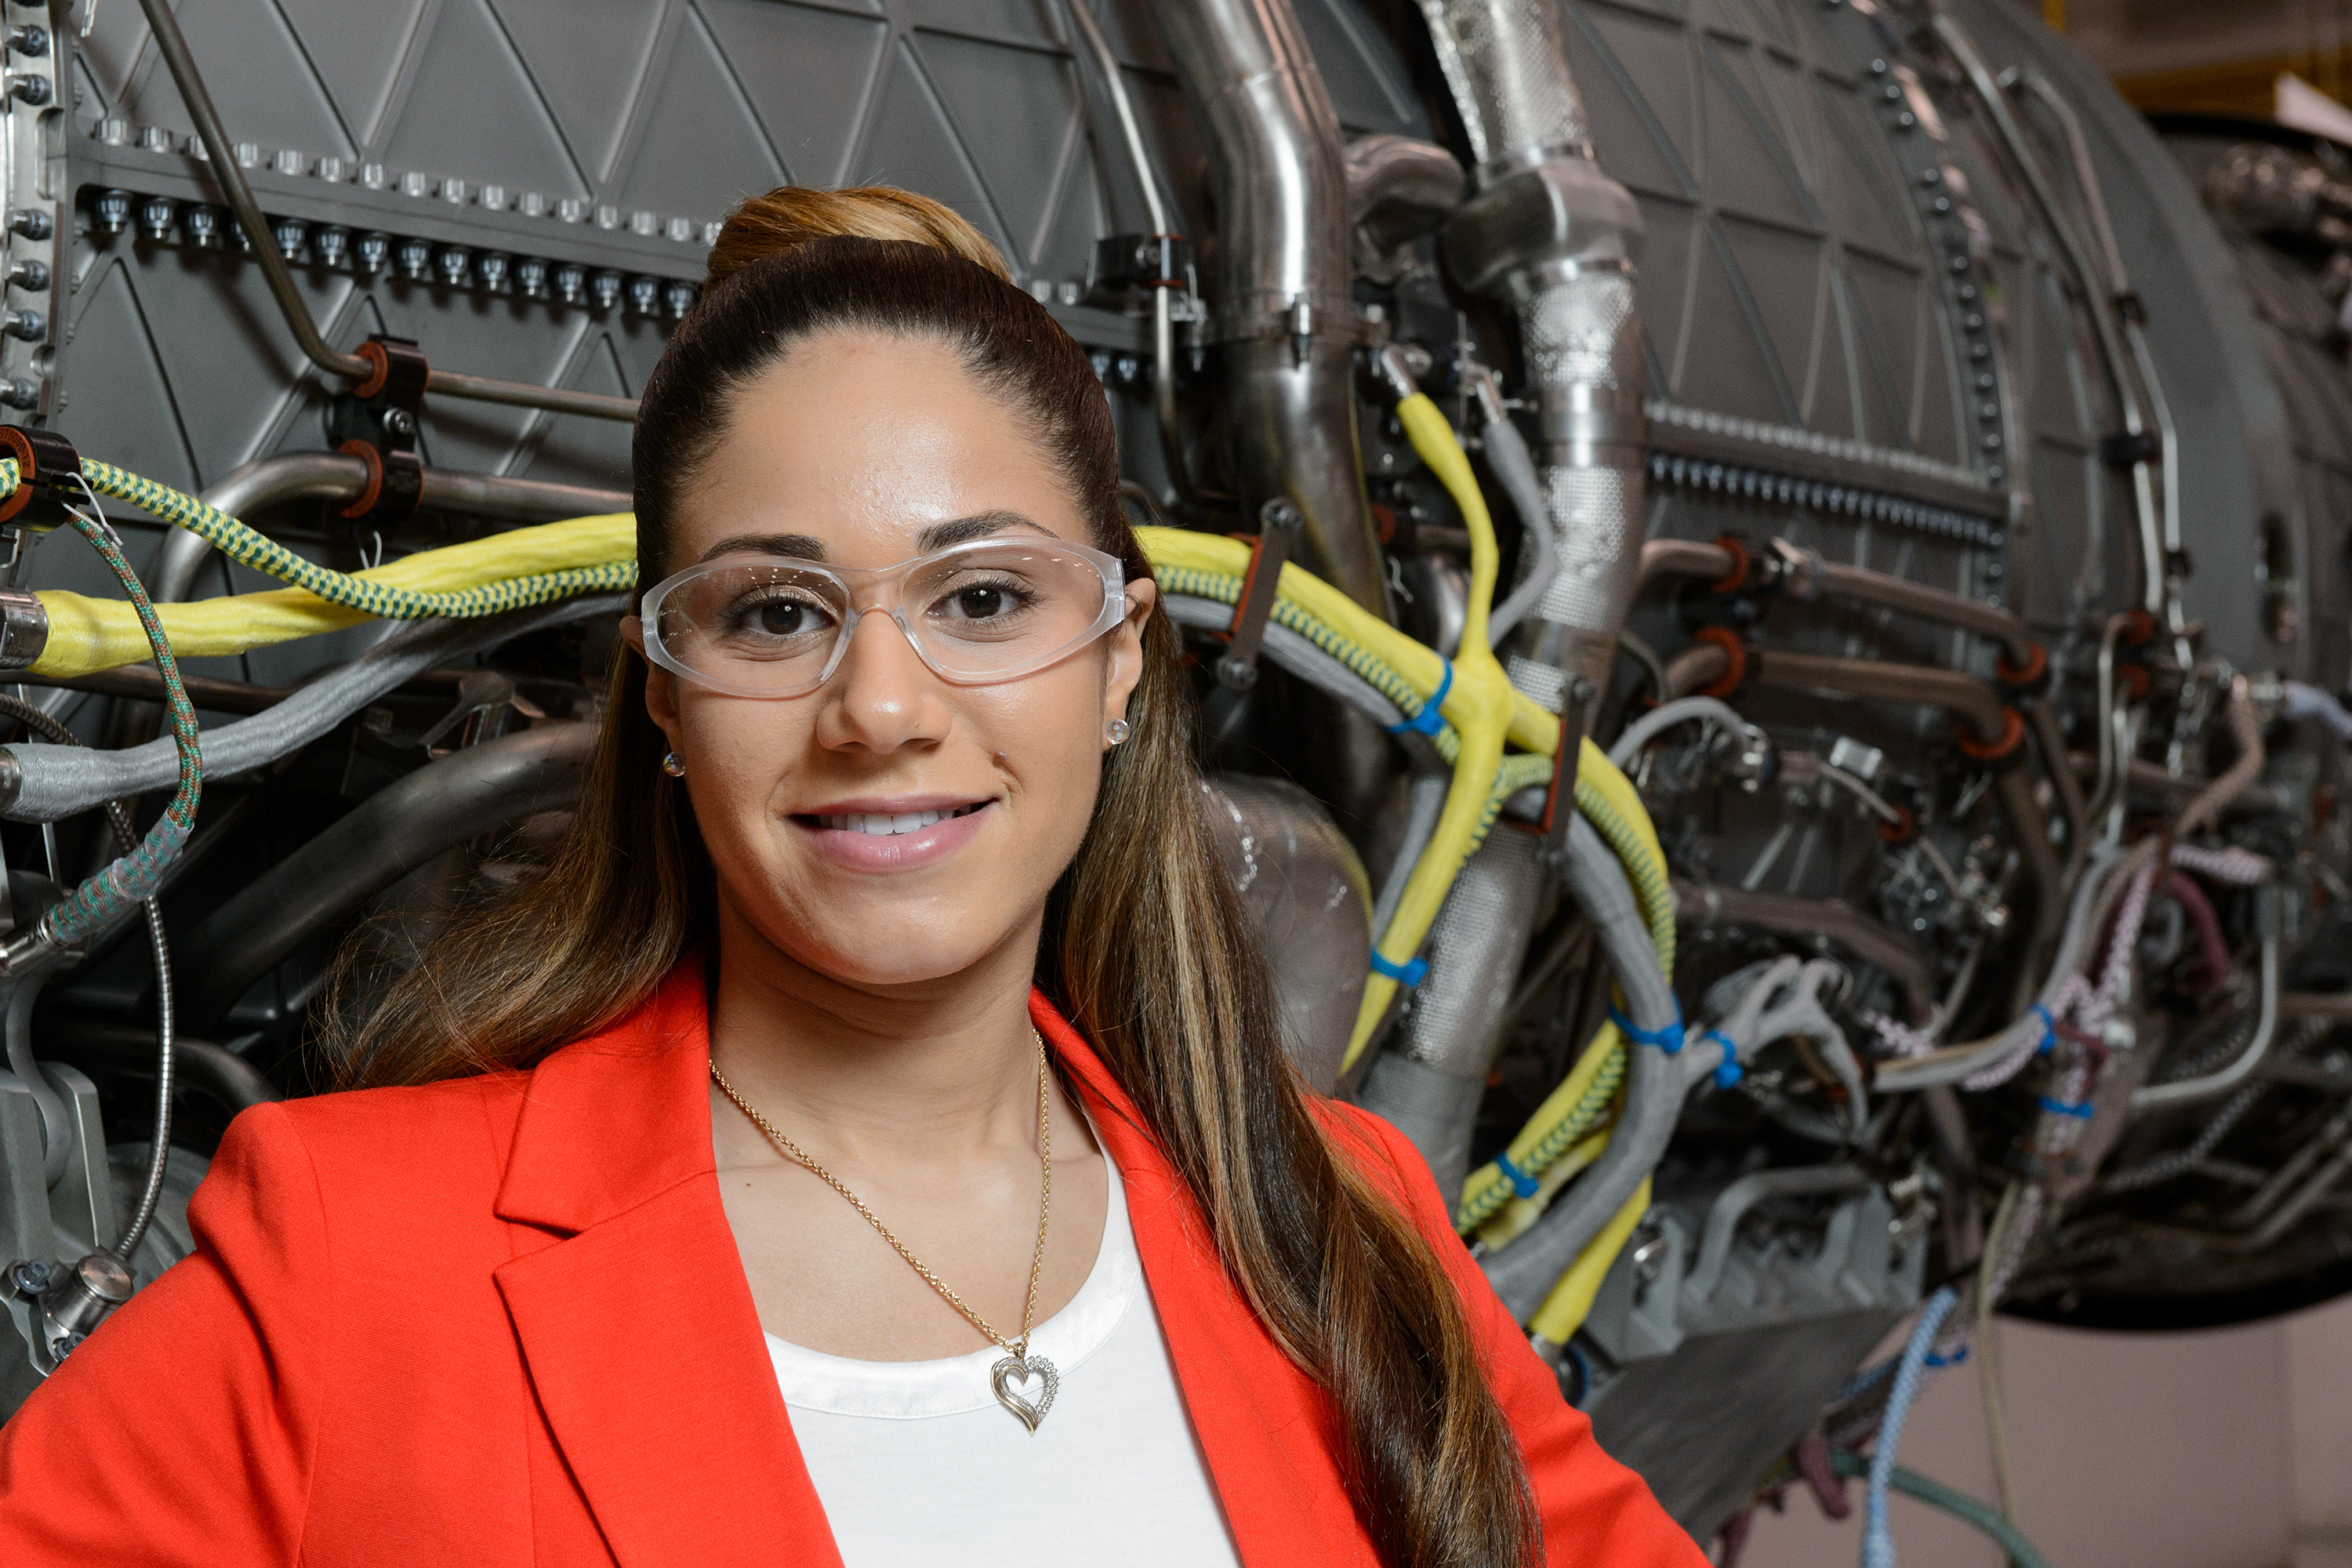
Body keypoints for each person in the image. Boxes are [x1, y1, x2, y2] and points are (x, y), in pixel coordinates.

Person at [0, 186, 1703, 1568]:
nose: (881, 709)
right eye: (776, 612)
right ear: (667, 698)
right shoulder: (355, 1265)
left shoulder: (1349, 1223)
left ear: (1119, 662)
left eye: (984, 599)